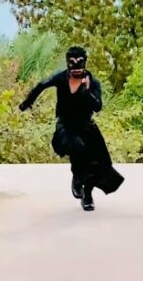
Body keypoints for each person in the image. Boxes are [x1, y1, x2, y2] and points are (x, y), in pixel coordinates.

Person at [19, 46, 124, 211]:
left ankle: (87, 195)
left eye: (79, 64)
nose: (76, 68)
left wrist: (86, 92)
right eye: (72, 64)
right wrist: (27, 103)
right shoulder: (61, 78)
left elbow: (97, 107)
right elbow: (42, 85)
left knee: (99, 163)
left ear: (84, 63)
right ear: (68, 63)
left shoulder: (92, 82)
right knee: (77, 147)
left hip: (87, 127)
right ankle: (77, 177)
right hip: (66, 126)